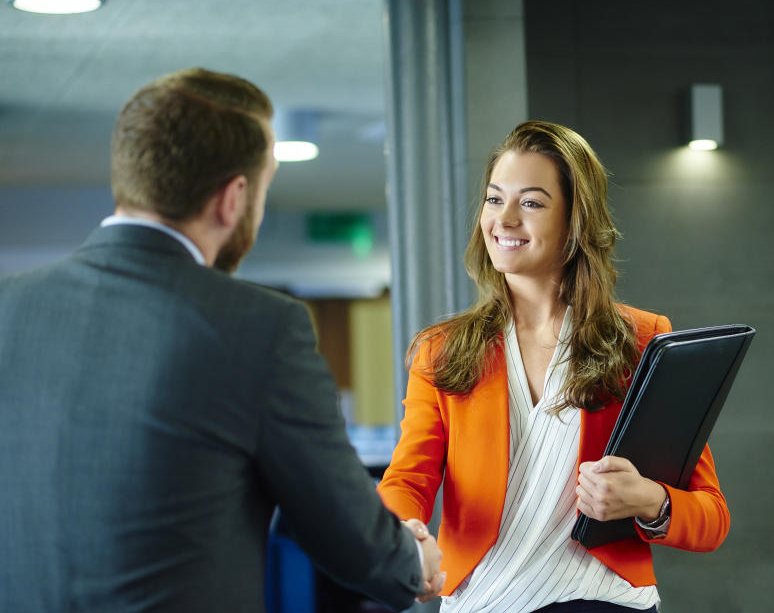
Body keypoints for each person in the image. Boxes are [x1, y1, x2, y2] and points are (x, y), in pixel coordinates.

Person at [0, 68, 443, 613]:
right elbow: (345, 529)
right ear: (233, 198)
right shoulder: (257, 326)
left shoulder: (9, 305)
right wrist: (412, 562)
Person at [377, 121, 730, 613]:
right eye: (495, 199)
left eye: (533, 203)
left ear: (574, 220)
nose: (505, 219)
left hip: (605, 602)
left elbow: (711, 516)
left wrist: (649, 499)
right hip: (482, 602)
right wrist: (405, 536)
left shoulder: (642, 340)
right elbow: (408, 480)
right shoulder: (443, 350)